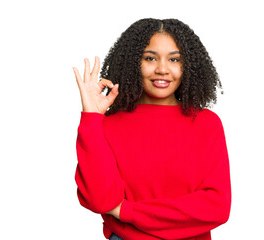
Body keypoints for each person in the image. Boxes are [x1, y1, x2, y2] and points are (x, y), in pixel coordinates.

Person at [72, 18, 231, 240]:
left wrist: (126, 211)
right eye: (150, 58)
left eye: (174, 59)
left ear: (188, 66)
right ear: (133, 63)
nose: (162, 69)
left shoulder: (207, 123)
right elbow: (100, 200)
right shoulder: (108, 125)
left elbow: (216, 207)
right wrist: (91, 117)